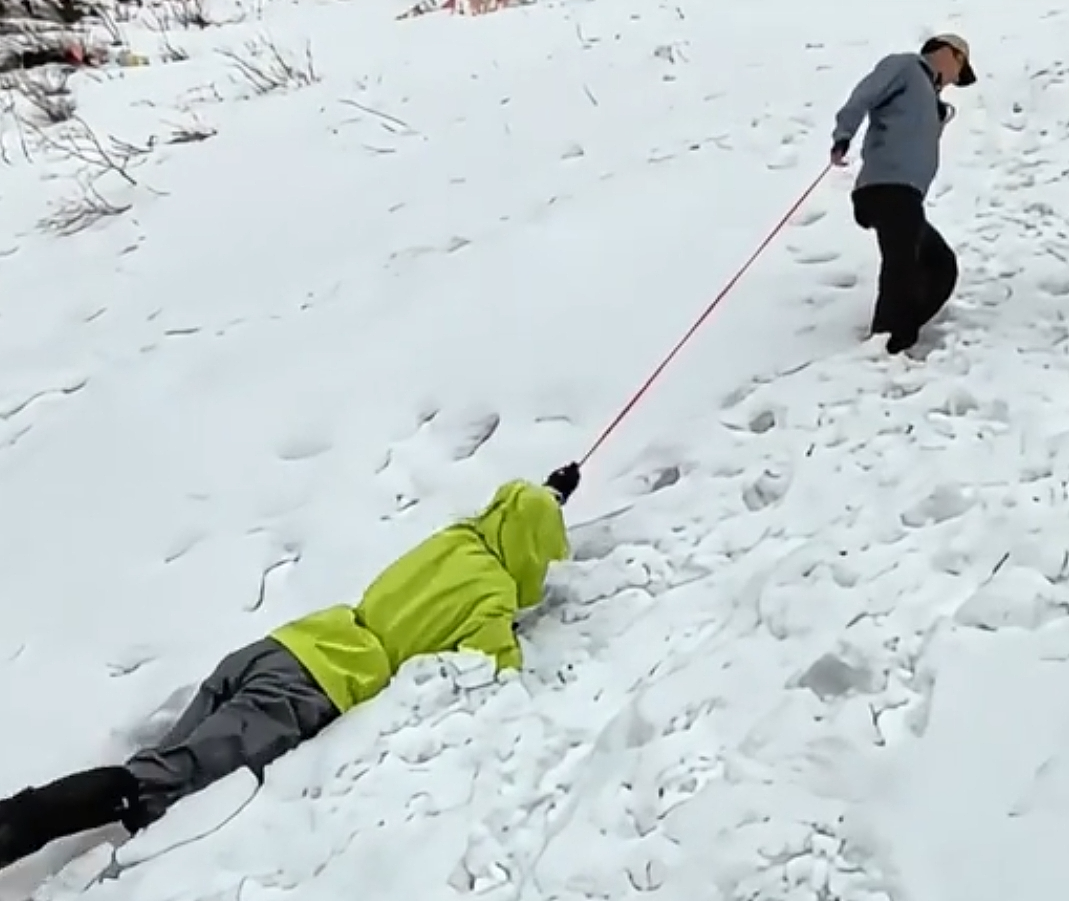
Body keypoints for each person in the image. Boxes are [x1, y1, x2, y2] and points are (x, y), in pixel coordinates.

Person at [0, 463, 581, 871]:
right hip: (309, 685)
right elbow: (496, 664)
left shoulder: (457, 539)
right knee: (158, 782)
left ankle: (57, 845)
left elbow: (516, 516)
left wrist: (551, 493)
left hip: (281, 647)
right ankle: (16, 828)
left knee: (157, 775)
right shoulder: (494, 595)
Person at [830, 33, 977, 354]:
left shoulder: (930, 98)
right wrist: (843, 136)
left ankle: (896, 333)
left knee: (941, 264)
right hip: (885, 186)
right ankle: (888, 341)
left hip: (908, 196)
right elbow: (863, 96)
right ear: (947, 53)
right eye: (960, 68)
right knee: (903, 262)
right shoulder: (906, 67)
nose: (955, 79)